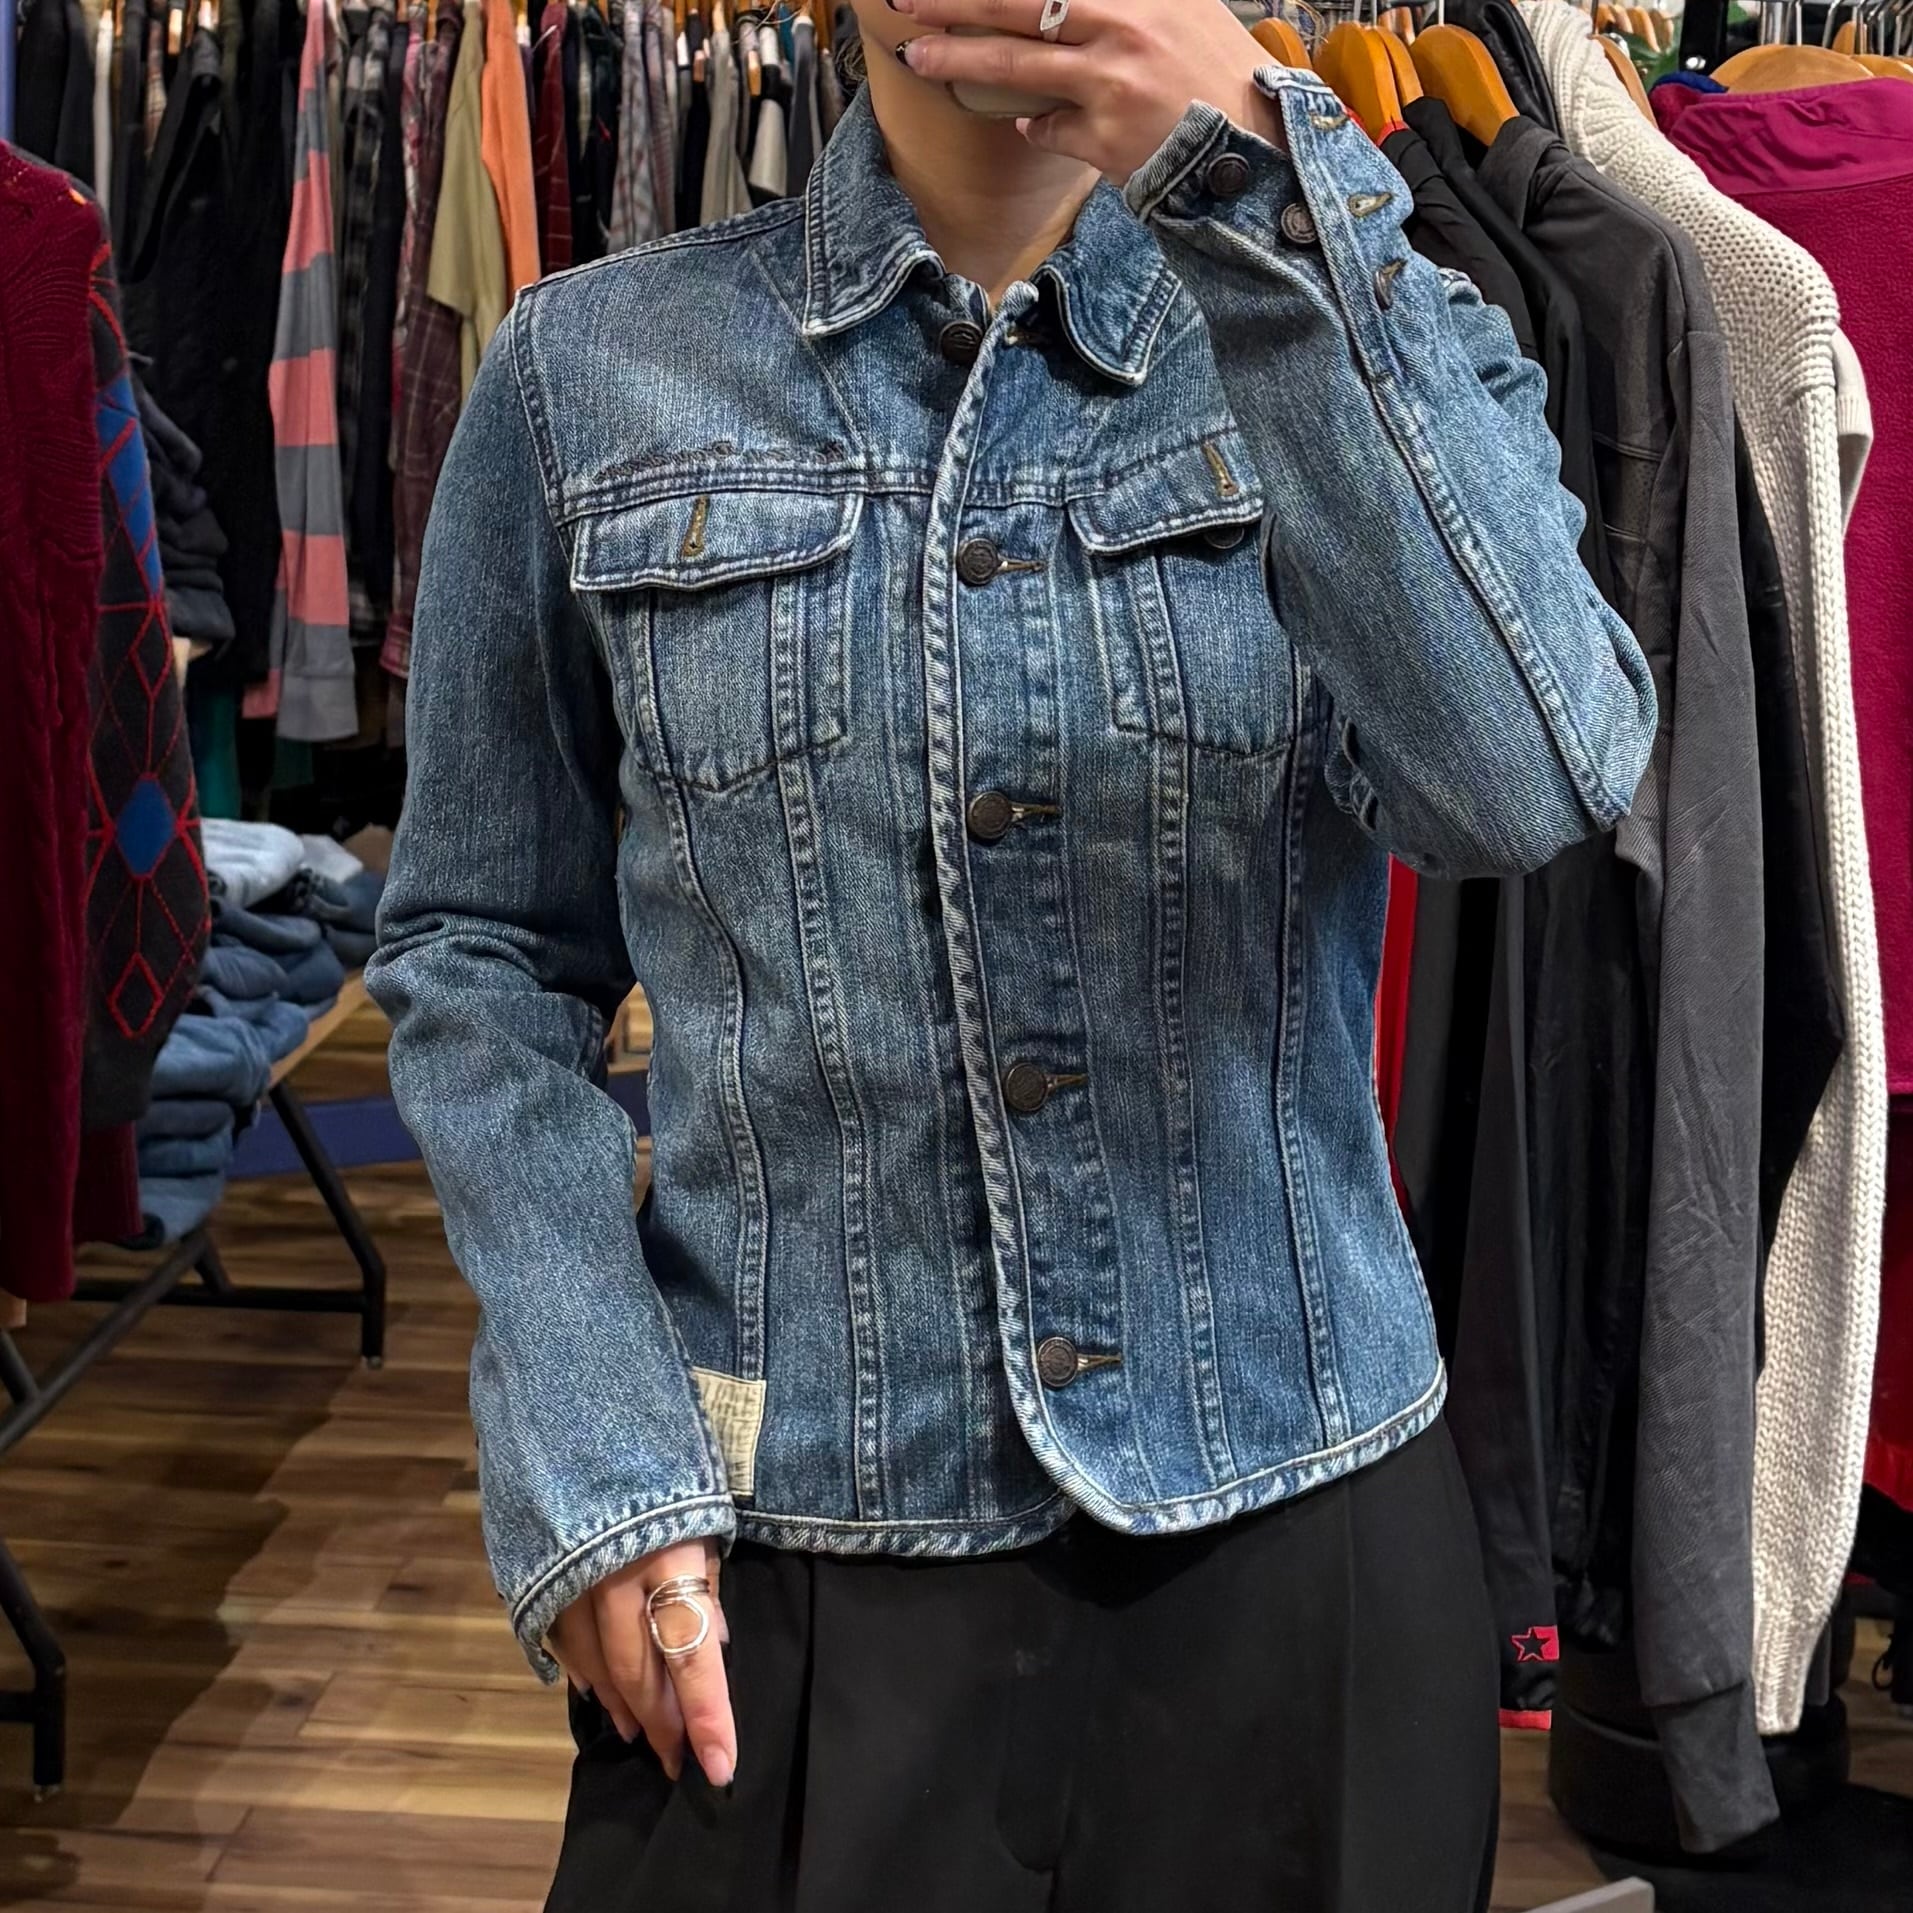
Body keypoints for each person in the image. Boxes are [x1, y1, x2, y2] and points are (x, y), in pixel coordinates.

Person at [368, 1, 1656, 1906]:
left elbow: (1525, 781)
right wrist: (591, 1442)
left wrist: (1254, 186)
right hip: (784, 1554)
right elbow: (480, 952)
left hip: (1291, 1539)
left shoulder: (1373, 323)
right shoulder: (593, 372)